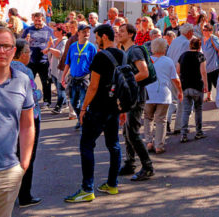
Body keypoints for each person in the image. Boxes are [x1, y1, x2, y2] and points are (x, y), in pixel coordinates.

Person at [65, 24, 125, 203]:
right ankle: (112, 184)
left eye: (97, 37)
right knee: (114, 145)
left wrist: (83, 108)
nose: (95, 40)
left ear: (104, 37)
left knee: (86, 145)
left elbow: (93, 86)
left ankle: (87, 189)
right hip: (114, 106)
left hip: (99, 107)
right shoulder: (122, 54)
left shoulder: (100, 56)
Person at [0, 27, 35, 217]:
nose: (1, 51)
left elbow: (28, 123)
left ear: (14, 50)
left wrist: (24, 164)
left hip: (8, 172)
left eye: (6, 46)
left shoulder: (22, 80)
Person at [116, 24, 156, 182]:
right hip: (130, 97)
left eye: (122, 32)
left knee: (132, 133)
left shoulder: (134, 51)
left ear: (131, 34)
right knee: (127, 132)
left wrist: (126, 80)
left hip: (136, 97)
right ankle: (130, 163)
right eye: (118, 32)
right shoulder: (126, 52)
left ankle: (147, 167)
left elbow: (144, 72)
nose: (118, 34)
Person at [11, 39, 42, 208]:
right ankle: (24, 195)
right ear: (21, 54)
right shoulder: (25, 71)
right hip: (28, 119)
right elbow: (33, 96)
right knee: (27, 156)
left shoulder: (4, 68)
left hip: (9, 119)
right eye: (28, 52)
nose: (29, 55)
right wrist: (39, 93)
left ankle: (11, 193)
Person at [147, 38, 183, 154]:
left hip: (148, 93)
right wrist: (180, 91)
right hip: (163, 94)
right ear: (165, 48)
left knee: (148, 118)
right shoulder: (168, 61)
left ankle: (149, 141)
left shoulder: (147, 61)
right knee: (161, 120)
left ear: (152, 48)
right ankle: (159, 145)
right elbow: (175, 79)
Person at [61, 24, 97, 129]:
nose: (86, 34)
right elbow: (68, 63)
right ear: (78, 33)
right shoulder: (73, 46)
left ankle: (83, 124)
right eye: (84, 32)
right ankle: (79, 118)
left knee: (83, 104)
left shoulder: (91, 47)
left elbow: (95, 66)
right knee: (73, 102)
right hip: (73, 79)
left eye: (88, 32)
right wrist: (63, 76)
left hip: (85, 79)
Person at [176, 37, 208, 143]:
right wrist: (206, 86)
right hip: (197, 85)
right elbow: (203, 72)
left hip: (185, 86)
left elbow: (177, 71)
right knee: (198, 109)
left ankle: (183, 134)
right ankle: (199, 132)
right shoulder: (200, 56)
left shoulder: (183, 56)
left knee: (186, 110)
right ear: (199, 46)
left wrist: (179, 85)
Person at [22, 12, 55, 107]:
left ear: (43, 20)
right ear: (33, 20)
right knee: (28, 82)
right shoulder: (28, 30)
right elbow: (21, 43)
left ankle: (47, 100)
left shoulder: (49, 30)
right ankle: (29, 100)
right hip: (31, 61)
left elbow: (53, 43)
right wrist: (26, 41)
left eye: (39, 21)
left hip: (44, 61)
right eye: (35, 20)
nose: (37, 22)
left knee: (46, 82)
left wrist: (49, 47)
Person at [165, 23, 193, 135]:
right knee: (182, 101)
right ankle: (179, 126)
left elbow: (168, 55)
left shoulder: (175, 41)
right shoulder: (186, 43)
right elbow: (184, 60)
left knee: (172, 100)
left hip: (170, 73)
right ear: (189, 32)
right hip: (179, 74)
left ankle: (168, 120)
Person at [43, 24, 68, 114]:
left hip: (61, 68)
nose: (53, 32)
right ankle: (65, 104)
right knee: (58, 88)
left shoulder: (65, 42)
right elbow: (48, 52)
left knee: (60, 88)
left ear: (61, 31)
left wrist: (50, 49)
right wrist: (47, 49)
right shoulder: (54, 41)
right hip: (53, 68)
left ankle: (58, 106)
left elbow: (60, 54)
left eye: (55, 31)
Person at [201, 24, 219, 102]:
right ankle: (209, 96)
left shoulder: (213, 38)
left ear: (210, 31)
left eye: (206, 30)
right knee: (207, 82)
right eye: (203, 30)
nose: (204, 32)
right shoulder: (202, 39)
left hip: (214, 64)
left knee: (216, 82)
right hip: (205, 65)